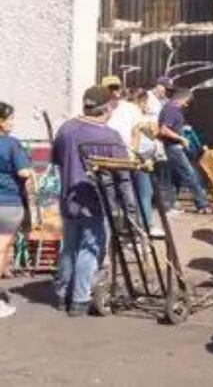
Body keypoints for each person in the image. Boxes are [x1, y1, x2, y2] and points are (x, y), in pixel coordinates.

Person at [51, 86, 128, 316]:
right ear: (106, 107)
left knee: (69, 248)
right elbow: (123, 174)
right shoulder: (109, 136)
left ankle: (63, 294)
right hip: (96, 200)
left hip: (69, 197)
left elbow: (57, 161)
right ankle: (80, 299)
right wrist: (128, 206)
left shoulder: (66, 129)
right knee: (90, 249)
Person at [107, 88, 162, 237]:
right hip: (131, 159)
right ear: (141, 101)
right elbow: (145, 132)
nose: (147, 107)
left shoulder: (118, 108)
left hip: (117, 157)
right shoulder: (133, 111)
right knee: (139, 193)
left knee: (115, 195)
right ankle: (140, 228)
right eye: (146, 104)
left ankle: (121, 229)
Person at [158, 88, 213, 215]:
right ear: (181, 99)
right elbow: (164, 130)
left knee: (175, 177)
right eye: (186, 102)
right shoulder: (171, 110)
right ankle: (202, 205)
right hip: (174, 147)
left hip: (173, 147)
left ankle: (170, 206)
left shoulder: (170, 109)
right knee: (190, 174)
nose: (186, 105)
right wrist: (181, 138)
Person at [0, 102, 32, 318]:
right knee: (2, 250)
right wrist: (31, 171)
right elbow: (23, 172)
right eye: (9, 118)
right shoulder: (11, 144)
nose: (12, 122)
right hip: (8, 203)